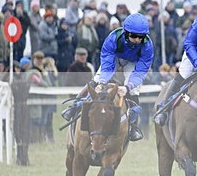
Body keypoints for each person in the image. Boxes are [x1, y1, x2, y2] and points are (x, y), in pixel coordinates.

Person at [60, 13, 153, 141]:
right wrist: (102, 82)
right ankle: (74, 106)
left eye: (141, 37)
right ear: (126, 33)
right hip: (114, 58)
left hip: (133, 63)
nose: (137, 40)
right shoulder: (113, 38)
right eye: (134, 36)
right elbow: (107, 64)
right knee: (96, 81)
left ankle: (132, 127)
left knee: (133, 90)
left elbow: (140, 71)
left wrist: (127, 86)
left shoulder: (147, 46)